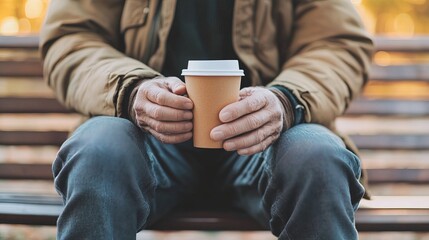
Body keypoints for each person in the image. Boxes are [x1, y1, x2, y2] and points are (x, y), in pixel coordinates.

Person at [40, 0, 373, 239]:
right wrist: (131, 90)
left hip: (268, 140)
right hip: (144, 139)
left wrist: (286, 99)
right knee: (98, 152)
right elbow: (72, 38)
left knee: (317, 158)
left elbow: (338, 44)